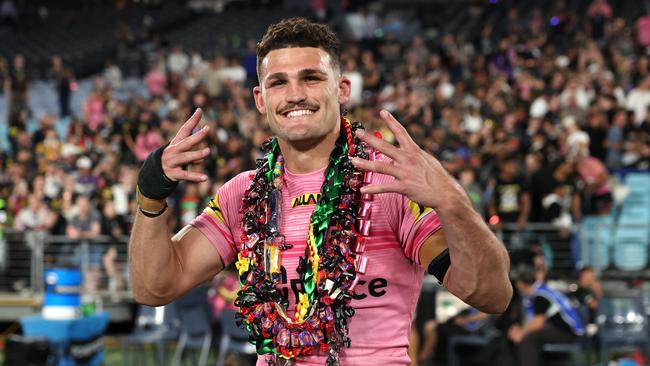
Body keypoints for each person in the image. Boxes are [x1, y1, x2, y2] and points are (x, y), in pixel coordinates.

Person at [129, 18, 511, 366]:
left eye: (311, 78)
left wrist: (452, 202)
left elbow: (492, 295)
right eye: (279, 82)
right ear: (261, 99)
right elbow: (154, 286)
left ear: (342, 89)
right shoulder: (242, 194)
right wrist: (151, 193)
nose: (295, 94)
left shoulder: (388, 183)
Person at [507, 264, 585, 366]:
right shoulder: (540, 290)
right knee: (526, 336)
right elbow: (533, 320)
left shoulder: (540, 295)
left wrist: (521, 333)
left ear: (520, 283)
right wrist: (520, 330)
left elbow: (538, 322)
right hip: (562, 330)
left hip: (569, 332)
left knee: (529, 339)